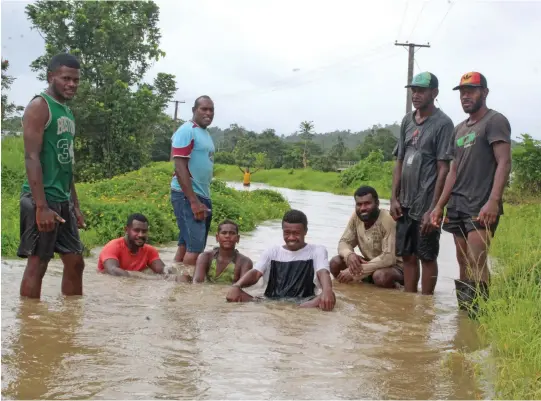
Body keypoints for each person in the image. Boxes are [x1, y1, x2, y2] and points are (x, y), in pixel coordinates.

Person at [431, 72, 512, 317]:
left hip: (481, 205)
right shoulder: (458, 130)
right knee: (463, 263)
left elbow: (504, 162)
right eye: (462, 92)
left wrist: (494, 200)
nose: (466, 96)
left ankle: (480, 318)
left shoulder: (494, 121)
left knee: (477, 261)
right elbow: (452, 173)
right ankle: (465, 317)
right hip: (457, 205)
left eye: (472, 90)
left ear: (484, 92)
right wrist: (438, 206)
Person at [17, 53, 86, 299]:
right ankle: (31, 327)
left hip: (62, 199)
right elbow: (31, 157)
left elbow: (67, 163)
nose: (72, 84)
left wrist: (75, 205)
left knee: (76, 261)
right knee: (39, 264)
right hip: (41, 199)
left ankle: (69, 325)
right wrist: (41, 206)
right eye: (66, 78)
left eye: (76, 80)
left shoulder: (67, 113)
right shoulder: (40, 106)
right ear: (51, 77)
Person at [390, 71, 454, 295]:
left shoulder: (443, 124)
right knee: (407, 254)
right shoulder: (407, 120)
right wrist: (393, 197)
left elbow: (443, 168)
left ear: (434, 93)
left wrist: (435, 208)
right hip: (404, 202)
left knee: (426, 255)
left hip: (426, 203)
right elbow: (399, 159)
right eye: (413, 90)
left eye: (421, 91)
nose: (415, 95)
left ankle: (426, 305)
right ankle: (409, 302)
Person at [225, 210, 336, 311]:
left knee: (330, 295)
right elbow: (256, 273)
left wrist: (327, 290)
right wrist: (237, 286)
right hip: (271, 302)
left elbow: (323, 272)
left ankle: (297, 310)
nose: (291, 238)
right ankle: (289, 310)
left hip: (304, 303)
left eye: (296, 233)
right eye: (287, 233)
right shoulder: (272, 251)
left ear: (305, 231)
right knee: (235, 294)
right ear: (282, 230)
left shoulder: (317, 250)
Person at [170, 95, 215, 272]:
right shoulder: (186, 130)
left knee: (185, 244)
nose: (208, 113)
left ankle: (173, 279)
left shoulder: (204, 132)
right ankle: (186, 289)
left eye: (211, 110)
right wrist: (193, 201)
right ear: (194, 110)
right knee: (195, 249)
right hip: (187, 196)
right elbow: (180, 166)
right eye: (204, 109)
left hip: (202, 194)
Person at [330, 186, 404, 288]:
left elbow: (388, 258)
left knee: (381, 276)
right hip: (370, 265)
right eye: (359, 204)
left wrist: (356, 271)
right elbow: (344, 242)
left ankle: (394, 292)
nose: (363, 208)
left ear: (377, 203)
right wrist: (349, 255)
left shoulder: (388, 219)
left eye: (367, 203)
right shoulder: (356, 217)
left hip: (394, 268)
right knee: (335, 263)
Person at [97, 214, 173, 278]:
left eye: (144, 231)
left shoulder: (150, 251)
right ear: (126, 230)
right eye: (136, 230)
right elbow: (112, 271)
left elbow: (163, 271)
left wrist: (175, 274)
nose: (141, 235)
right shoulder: (112, 247)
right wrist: (140, 276)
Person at [192, 219, 253, 284]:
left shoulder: (245, 262)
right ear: (217, 237)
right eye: (224, 233)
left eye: (232, 233)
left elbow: (243, 288)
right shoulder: (205, 257)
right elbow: (197, 283)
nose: (227, 236)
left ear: (238, 238)